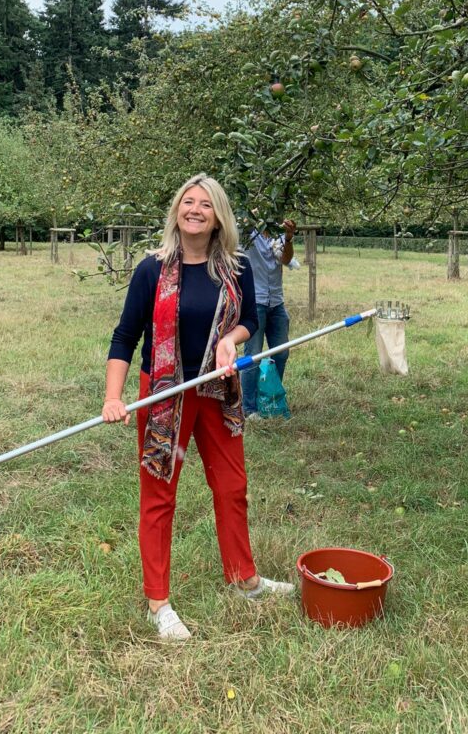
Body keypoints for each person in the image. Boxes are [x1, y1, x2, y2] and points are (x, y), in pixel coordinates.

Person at [102, 174, 294, 642]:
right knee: (159, 494)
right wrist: (113, 396)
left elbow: (250, 320)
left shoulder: (237, 267)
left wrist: (231, 340)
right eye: (188, 202)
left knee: (232, 485)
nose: (195, 210)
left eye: (205, 205)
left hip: (216, 389)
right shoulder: (152, 269)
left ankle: (243, 578)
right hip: (164, 394)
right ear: (176, 211)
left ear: (217, 216)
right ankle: (158, 602)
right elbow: (125, 337)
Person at [241, 219, 296, 418]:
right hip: (255, 303)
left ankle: (271, 399)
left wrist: (288, 238)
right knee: (252, 356)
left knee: (281, 353)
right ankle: (249, 409)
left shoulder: (278, 233)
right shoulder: (247, 232)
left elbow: (286, 260)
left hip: (277, 302)